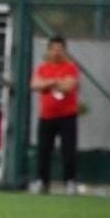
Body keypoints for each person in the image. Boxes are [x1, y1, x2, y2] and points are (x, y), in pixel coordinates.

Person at [30, 35, 80, 194]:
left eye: (60, 49)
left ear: (64, 50)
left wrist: (48, 83)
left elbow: (69, 86)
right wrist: (55, 82)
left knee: (68, 150)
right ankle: (42, 182)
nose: (57, 52)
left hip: (67, 115)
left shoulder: (70, 67)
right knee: (44, 150)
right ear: (49, 50)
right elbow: (35, 85)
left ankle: (69, 182)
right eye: (54, 49)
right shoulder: (42, 68)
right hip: (46, 116)